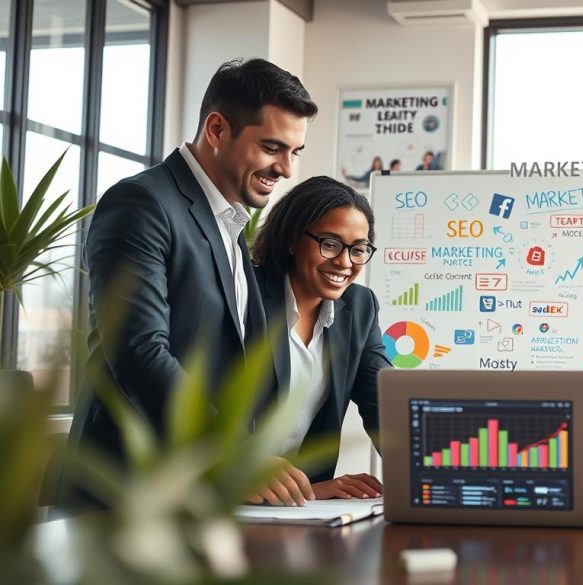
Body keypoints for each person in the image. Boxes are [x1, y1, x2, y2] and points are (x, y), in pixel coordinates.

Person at [60, 58, 319, 509]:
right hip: (127, 494)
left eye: (294, 152)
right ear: (217, 130)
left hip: (199, 496)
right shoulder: (142, 202)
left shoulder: (232, 224)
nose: (286, 169)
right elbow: (138, 350)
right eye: (272, 147)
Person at [250, 176, 390, 501]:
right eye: (330, 243)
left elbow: (385, 405)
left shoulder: (359, 307)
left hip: (302, 509)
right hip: (219, 499)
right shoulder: (244, 295)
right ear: (291, 240)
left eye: (358, 249)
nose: (344, 261)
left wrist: (434, 476)